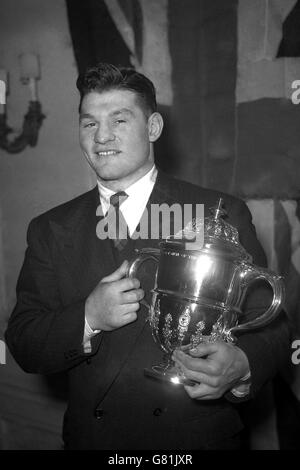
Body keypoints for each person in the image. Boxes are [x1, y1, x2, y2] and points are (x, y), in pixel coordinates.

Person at [5, 63, 290, 450]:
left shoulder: (214, 214)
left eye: (119, 120)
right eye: (89, 124)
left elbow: (271, 325)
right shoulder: (50, 228)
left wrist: (241, 366)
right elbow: (23, 342)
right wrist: (89, 316)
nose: (102, 136)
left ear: (153, 128)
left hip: (195, 441)